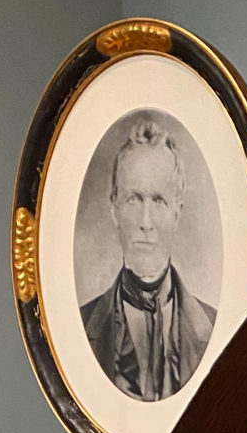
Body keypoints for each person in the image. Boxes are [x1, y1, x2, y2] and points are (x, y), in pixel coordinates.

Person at [81, 116, 215, 400]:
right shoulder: (79, 328)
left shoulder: (215, 328)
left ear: (177, 212)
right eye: (134, 199)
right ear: (114, 208)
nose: (146, 222)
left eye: (158, 200)